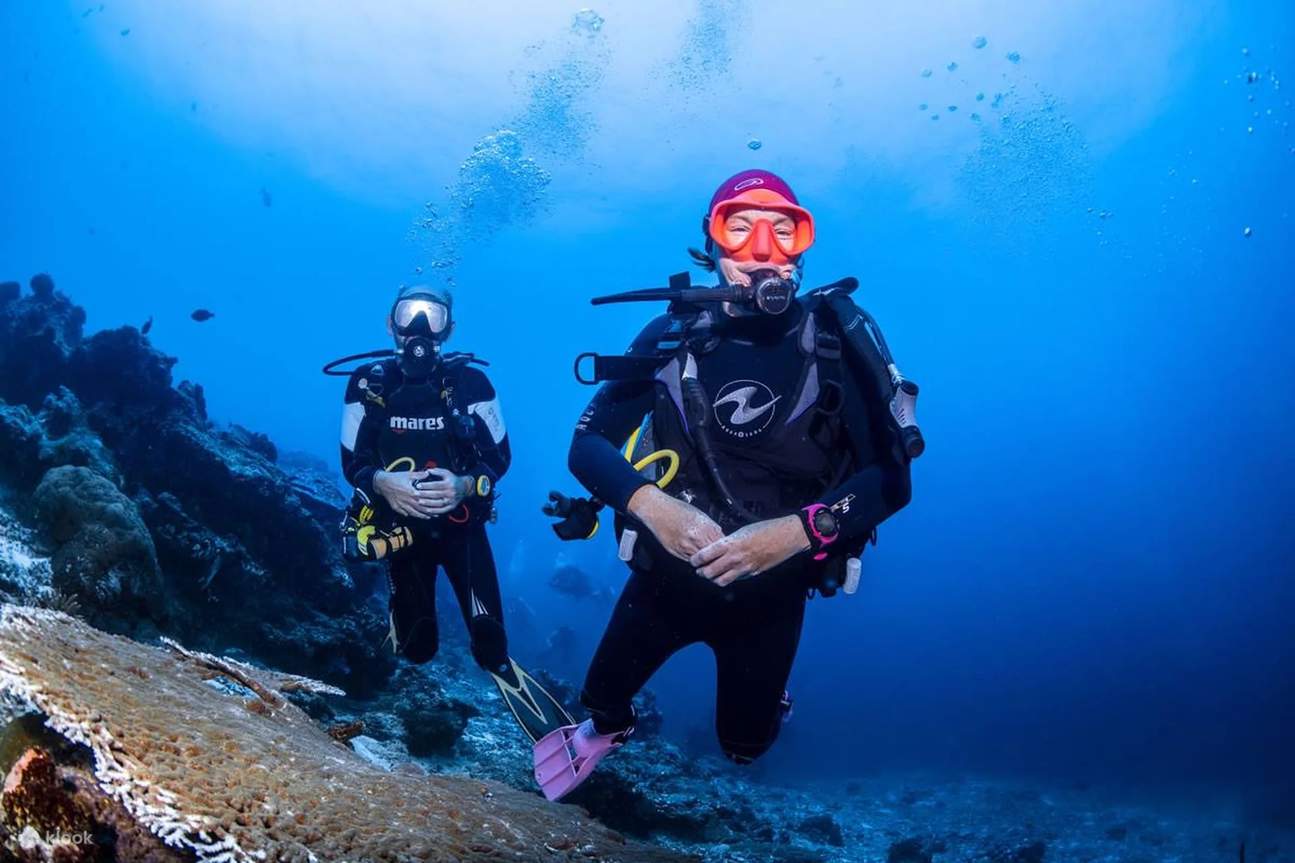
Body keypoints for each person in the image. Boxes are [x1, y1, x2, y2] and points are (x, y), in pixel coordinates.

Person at [533, 170, 917, 800]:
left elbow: (892, 481)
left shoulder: (835, 342)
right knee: (599, 701)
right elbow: (588, 443)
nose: (762, 250)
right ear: (710, 247)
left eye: (783, 230)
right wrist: (653, 507)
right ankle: (608, 729)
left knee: (744, 748)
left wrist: (795, 534)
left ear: (801, 248)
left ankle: (769, 705)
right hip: (664, 577)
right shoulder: (672, 335)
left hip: (774, 592)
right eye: (739, 228)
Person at [338, 284, 571, 742]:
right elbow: (352, 464)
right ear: (390, 323)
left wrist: (464, 485)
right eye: (409, 314)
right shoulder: (368, 383)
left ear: (449, 328)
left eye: (433, 316)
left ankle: (507, 676)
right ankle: (400, 617)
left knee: (491, 645)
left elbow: (499, 458)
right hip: (402, 533)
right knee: (419, 649)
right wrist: (382, 483)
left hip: (461, 529)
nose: (420, 328)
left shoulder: (471, 384)